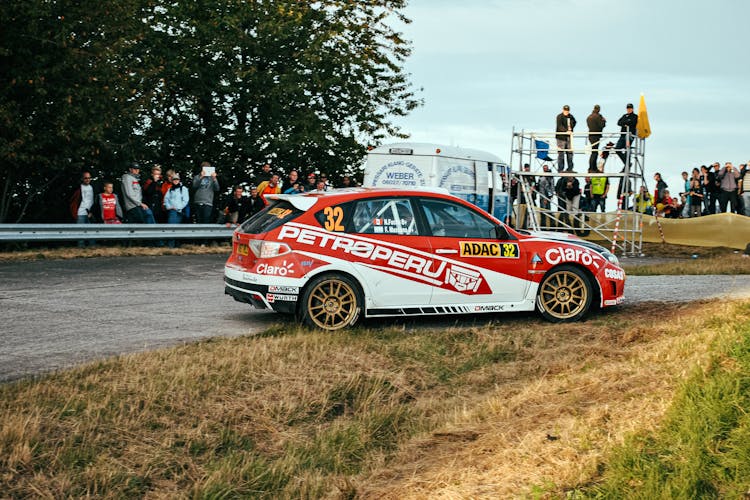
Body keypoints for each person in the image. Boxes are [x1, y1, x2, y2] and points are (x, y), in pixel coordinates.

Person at [69, 170, 97, 247]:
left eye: (89, 178)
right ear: (82, 179)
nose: (88, 179)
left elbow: (95, 200)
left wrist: (92, 211)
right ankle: (80, 247)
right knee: (80, 231)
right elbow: (73, 200)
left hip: (90, 213)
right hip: (80, 212)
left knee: (92, 231)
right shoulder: (78, 188)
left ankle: (92, 247)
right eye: (85, 178)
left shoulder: (93, 187)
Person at [163, 172, 190, 247]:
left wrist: (178, 208)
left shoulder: (183, 189)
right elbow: (166, 199)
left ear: (179, 180)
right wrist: (169, 207)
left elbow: (185, 200)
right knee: (171, 227)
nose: (175, 181)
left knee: (176, 228)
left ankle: (175, 245)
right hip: (171, 211)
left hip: (179, 212)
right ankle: (171, 246)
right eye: (174, 179)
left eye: (177, 179)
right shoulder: (170, 189)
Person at [615, 103, 638, 167]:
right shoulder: (624, 116)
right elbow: (619, 122)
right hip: (622, 135)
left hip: (629, 135)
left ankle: (627, 165)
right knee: (617, 149)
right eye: (628, 108)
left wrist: (624, 123)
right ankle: (627, 163)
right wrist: (625, 123)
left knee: (626, 149)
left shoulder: (635, 116)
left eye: (630, 108)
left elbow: (632, 123)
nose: (629, 110)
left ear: (632, 109)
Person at [555, 105, 576, 172]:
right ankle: (560, 169)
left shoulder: (571, 116)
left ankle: (570, 168)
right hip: (561, 138)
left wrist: (571, 128)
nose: (566, 111)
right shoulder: (559, 116)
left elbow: (574, 122)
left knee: (570, 153)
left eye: (567, 110)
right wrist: (566, 131)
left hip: (569, 138)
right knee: (561, 153)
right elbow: (559, 125)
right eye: (565, 110)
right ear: (563, 110)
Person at [586, 104, 606, 172]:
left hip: (591, 135)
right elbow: (601, 125)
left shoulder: (589, 116)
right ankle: (592, 167)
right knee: (594, 152)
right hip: (596, 135)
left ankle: (592, 167)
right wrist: (604, 121)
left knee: (594, 151)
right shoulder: (598, 116)